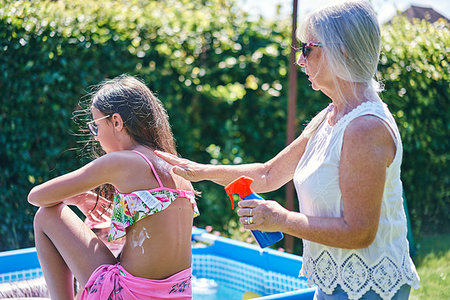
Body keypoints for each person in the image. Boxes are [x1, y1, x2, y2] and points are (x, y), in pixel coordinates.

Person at [155, 1, 419, 299]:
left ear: (341, 50)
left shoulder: (364, 129)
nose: (300, 60)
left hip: (369, 289)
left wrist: (280, 219)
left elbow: (359, 231)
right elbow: (269, 174)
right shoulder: (331, 116)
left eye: (307, 48)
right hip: (337, 284)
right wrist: (199, 171)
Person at [28, 75, 199, 299]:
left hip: (128, 296)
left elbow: (36, 196)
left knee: (46, 215)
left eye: (95, 125)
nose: (96, 137)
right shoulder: (174, 166)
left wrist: (78, 199)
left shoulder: (123, 161)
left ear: (116, 122)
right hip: (178, 295)